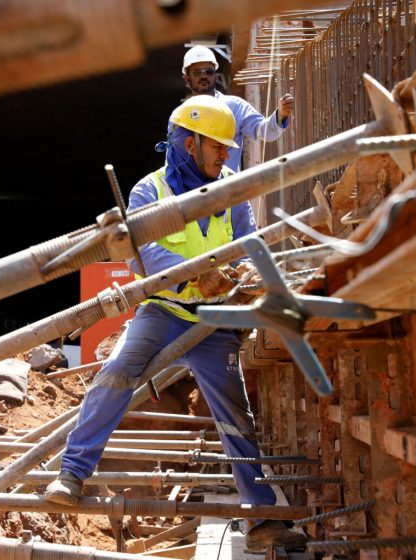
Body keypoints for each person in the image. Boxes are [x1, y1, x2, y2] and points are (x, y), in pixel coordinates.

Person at [45, 96, 307, 551]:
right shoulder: (150, 192)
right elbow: (146, 256)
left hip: (212, 320)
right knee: (117, 372)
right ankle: (72, 474)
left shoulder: (231, 187)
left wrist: (246, 277)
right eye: (218, 147)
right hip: (164, 311)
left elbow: (246, 243)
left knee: (233, 411)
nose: (226, 154)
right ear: (190, 145)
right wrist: (196, 272)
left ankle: (262, 517)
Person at [181, 45, 295, 172]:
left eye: (209, 72)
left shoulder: (234, 107)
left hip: (227, 189)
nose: (204, 77)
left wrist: (280, 116)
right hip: (193, 191)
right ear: (187, 77)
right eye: (197, 73)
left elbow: (264, 131)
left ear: (215, 74)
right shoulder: (180, 116)